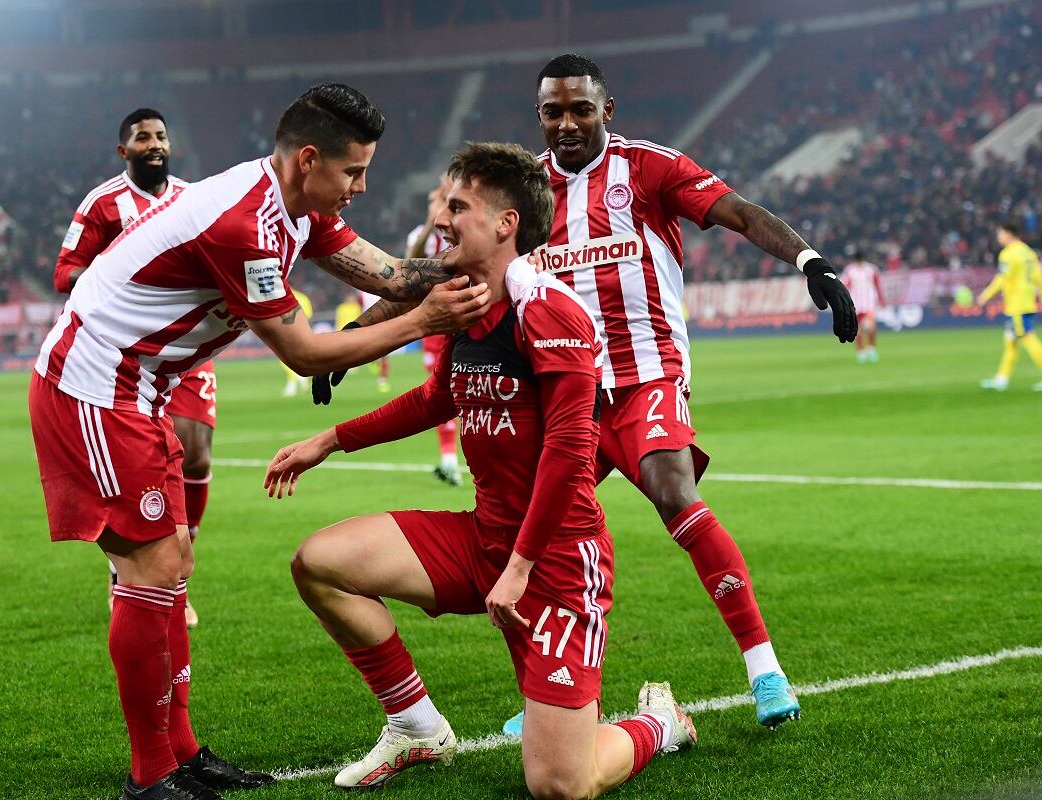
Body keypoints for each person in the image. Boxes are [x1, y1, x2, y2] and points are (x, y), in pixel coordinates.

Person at [316, 54, 859, 735]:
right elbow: (440, 271)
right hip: (558, 389)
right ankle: (556, 696)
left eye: (579, 108)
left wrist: (813, 264)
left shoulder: (650, 169)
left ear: (607, 110)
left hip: (643, 377)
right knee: (528, 526)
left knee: (672, 490)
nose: (566, 122)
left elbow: (741, 214)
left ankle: (763, 666)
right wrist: (358, 332)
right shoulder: (526, 192)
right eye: (552, 111)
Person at [28, 83, 489, 800]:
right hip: (94, 385)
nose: (363, 187)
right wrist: (425, 320)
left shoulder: (299, 207)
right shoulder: (242, 223)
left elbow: (392, 274)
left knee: (173, 561)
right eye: (354, 172)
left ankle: (180, 752)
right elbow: (304, 355)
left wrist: (482, 263)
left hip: (142, 387)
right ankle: (152, 776)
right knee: (151, 569)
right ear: (310, 159)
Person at [265, 142, 696, 798]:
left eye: (457, 206)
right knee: (320, 562)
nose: (441, 218)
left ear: (506, 224)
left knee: (560, 784)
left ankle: (658, 722)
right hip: (484, 541)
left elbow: (569, 454)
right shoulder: (466, 304)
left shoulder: (550, 311)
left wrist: (520, 570)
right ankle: (415, 726)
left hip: (553, 563)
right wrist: (329, 440)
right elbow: (439, 398)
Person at [53, 108, 214, 626]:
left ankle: (179, 574)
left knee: (194, 448)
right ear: (124, 151)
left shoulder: (194, 201)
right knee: (142, 465)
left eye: (161, 135)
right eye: (142, 137)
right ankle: (130, 568)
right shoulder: (104, 203)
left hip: (186, 348)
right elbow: (66, 274)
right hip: (124, 357)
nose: (154, 144)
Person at [407, 173, 462, 486]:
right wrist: (430, 220)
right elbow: (410, 262)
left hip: (466, 317)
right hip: (434, 324)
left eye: (439, 200)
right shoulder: (421, 234)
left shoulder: (462, 228)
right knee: (441, 391)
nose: (435, 205)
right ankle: (449, 460)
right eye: (431, 202)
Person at [977, 221, 1042, 391]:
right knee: (1011, 341)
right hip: (1026, 301)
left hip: (1017, 304)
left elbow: (1002, 279)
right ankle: (1002, 379)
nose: (998, 237)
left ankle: (1002, 379)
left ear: (1008, 233)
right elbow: (1039, 276)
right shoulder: (1028, 252)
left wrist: (985, 296)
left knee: (1028, 338)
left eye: (1000, 234)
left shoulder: (1008, 254)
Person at [841, 251, 885, 363]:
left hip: (869, 303)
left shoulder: (871, 269)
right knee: (857, 331)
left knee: (870, 327)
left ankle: (871, 349)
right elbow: (845, 286)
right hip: (855, 304)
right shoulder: (850, 270)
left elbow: (877, 284)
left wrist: (882, 300)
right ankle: (861, 352)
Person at [281, 289, 314, 397]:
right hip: (301, 331)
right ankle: (296, 381)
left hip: (287, 332)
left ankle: (296, 381)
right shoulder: (302, 297)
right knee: (293, 357)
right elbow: (309, 315)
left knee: (286, 358)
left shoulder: (281, 295)